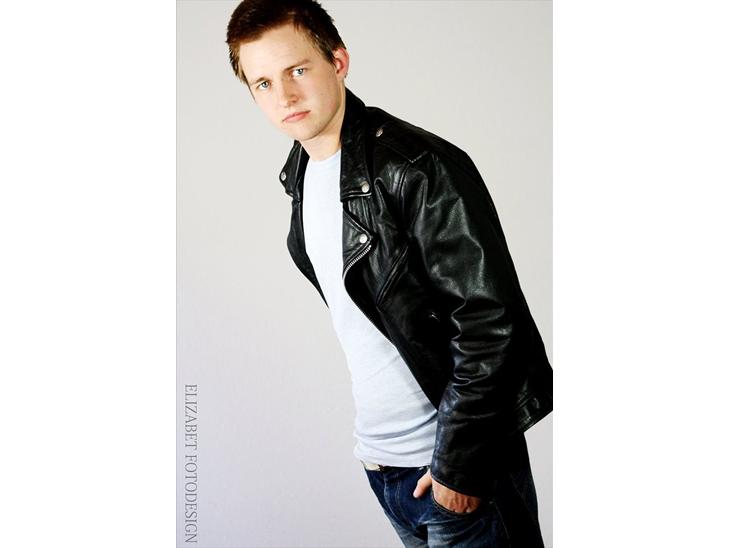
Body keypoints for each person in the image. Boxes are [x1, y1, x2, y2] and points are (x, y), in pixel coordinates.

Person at [226, 1, 552, 546]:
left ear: (338, 61)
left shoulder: (416, 166)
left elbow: (490, 323)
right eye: (263, 83)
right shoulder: (303, 174)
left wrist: (458, 469)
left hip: (456, 474)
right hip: (385, 465)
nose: (284, 96)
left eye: (297, 70)